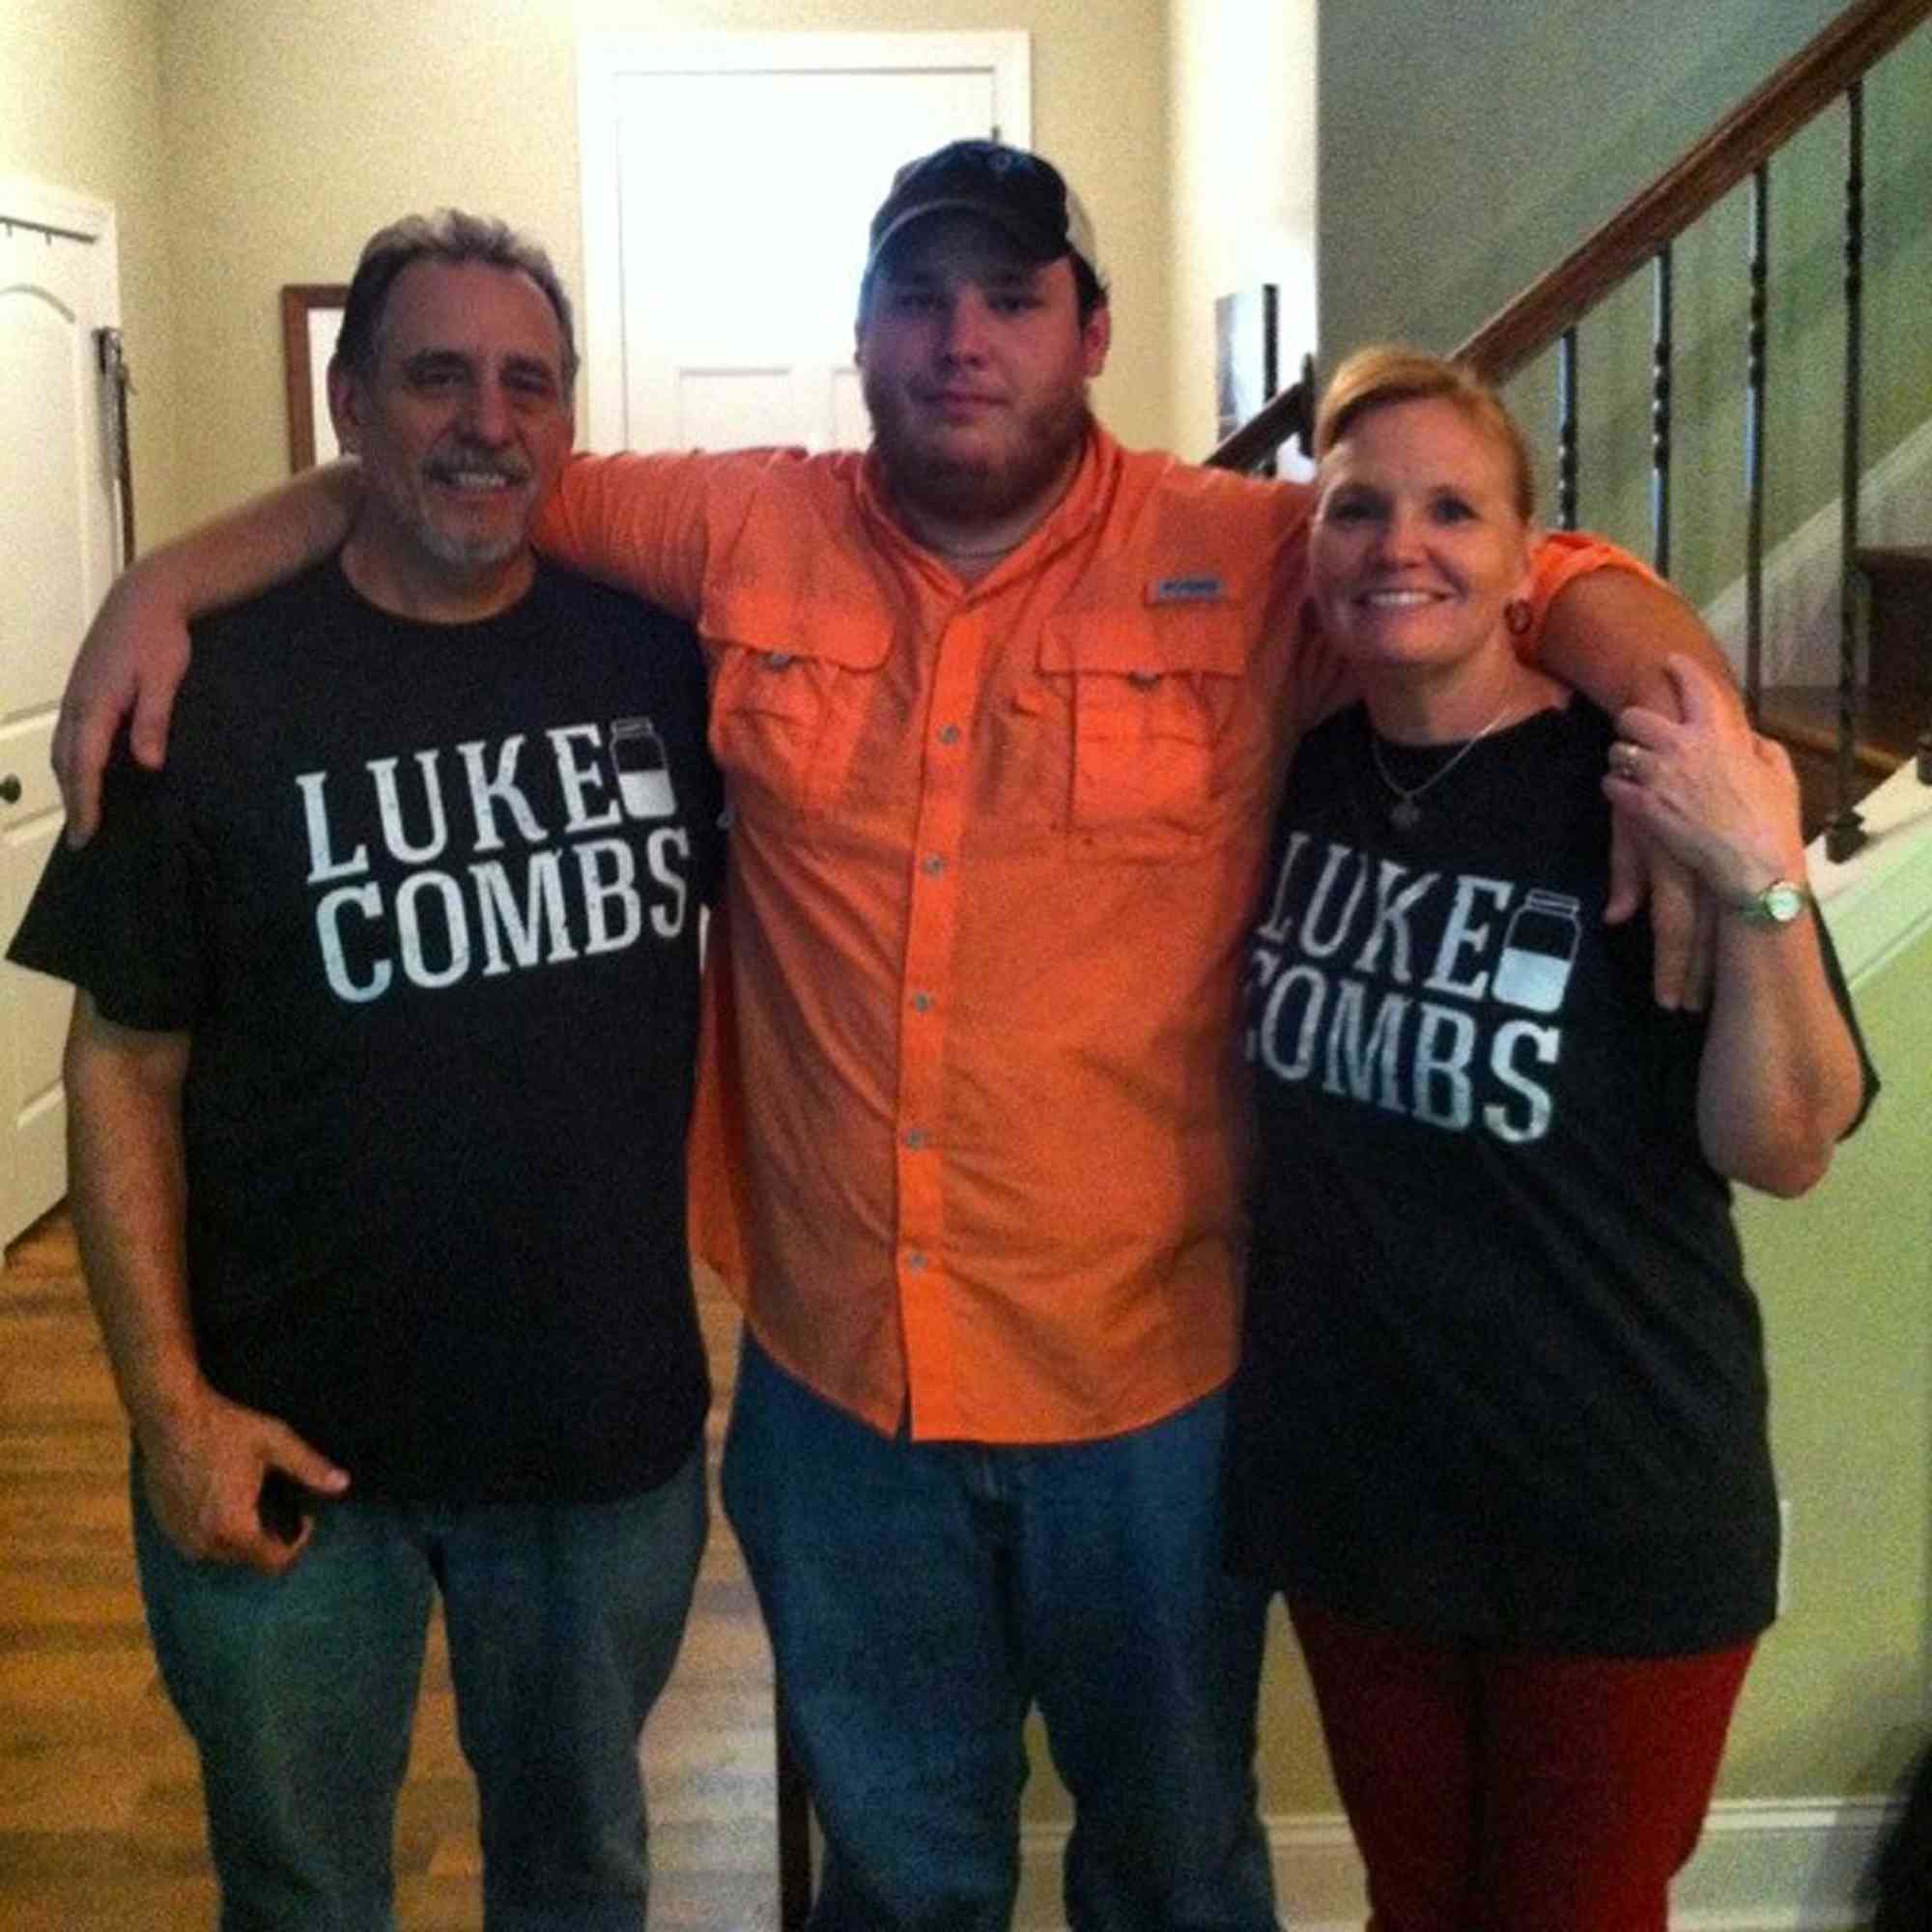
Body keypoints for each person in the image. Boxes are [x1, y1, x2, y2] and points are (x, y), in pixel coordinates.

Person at [51, 145, 1742, 1932]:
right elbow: (454, 484)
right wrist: (165, 576)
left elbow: (1529, 576)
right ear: (859, 331)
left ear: (1088, 332)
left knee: (1175, 1864)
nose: (962, 340)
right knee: (900, 1873)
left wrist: (1708, 749)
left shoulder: (1252, 552)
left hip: (1147, 1396)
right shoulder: (734, 528)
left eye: (1012, 298)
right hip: (843, 1394)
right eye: (918, 297)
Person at [8, 211, 724, 1931]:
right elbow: (121, 1066)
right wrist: (167, 1409)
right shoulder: (202, 692)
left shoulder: (663, 659)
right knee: (306, 1892)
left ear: (565, 416)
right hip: (289, 1451)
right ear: (347, 403)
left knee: (583, 1879)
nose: (485, 420)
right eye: (434, 376)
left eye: (525, 382)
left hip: (600, 1443)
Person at [1225, 347, 1876, 1932]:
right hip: (1366, 1506)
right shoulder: (1304, 778)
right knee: (1415, 1905)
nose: (1402, 544)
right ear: (1309, 549)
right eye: (1358, 507)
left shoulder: (1641, 783)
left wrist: (1757, 873)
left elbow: (1787, 1140)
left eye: (1455, 509)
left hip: (1609, 1512)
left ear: (1536, 558)